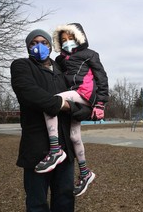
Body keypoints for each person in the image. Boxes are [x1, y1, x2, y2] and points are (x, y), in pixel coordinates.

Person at [10, 29, 92, 212]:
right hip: (37, 149)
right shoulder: (21, 66)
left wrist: (70, 107)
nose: (39, 46)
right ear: (28, 47)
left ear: (50, 45)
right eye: (33, 43)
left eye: (44, 42)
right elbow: (30, 94)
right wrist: (64, 104)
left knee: (64, 200)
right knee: (37, 202)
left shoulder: (63, 70)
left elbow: (87, 107)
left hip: (65, 149)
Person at [35, 23, 109, 197]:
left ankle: (55, 150)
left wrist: (100, 104)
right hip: (75, 98)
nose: (68, 42)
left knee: (52, 103)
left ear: (79, 38)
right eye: (64, 40)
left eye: (71, 38)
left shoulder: (90, 55)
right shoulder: (61, 60)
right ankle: (85, 173)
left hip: (85, 94)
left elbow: (102, 78)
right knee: (74, 137)